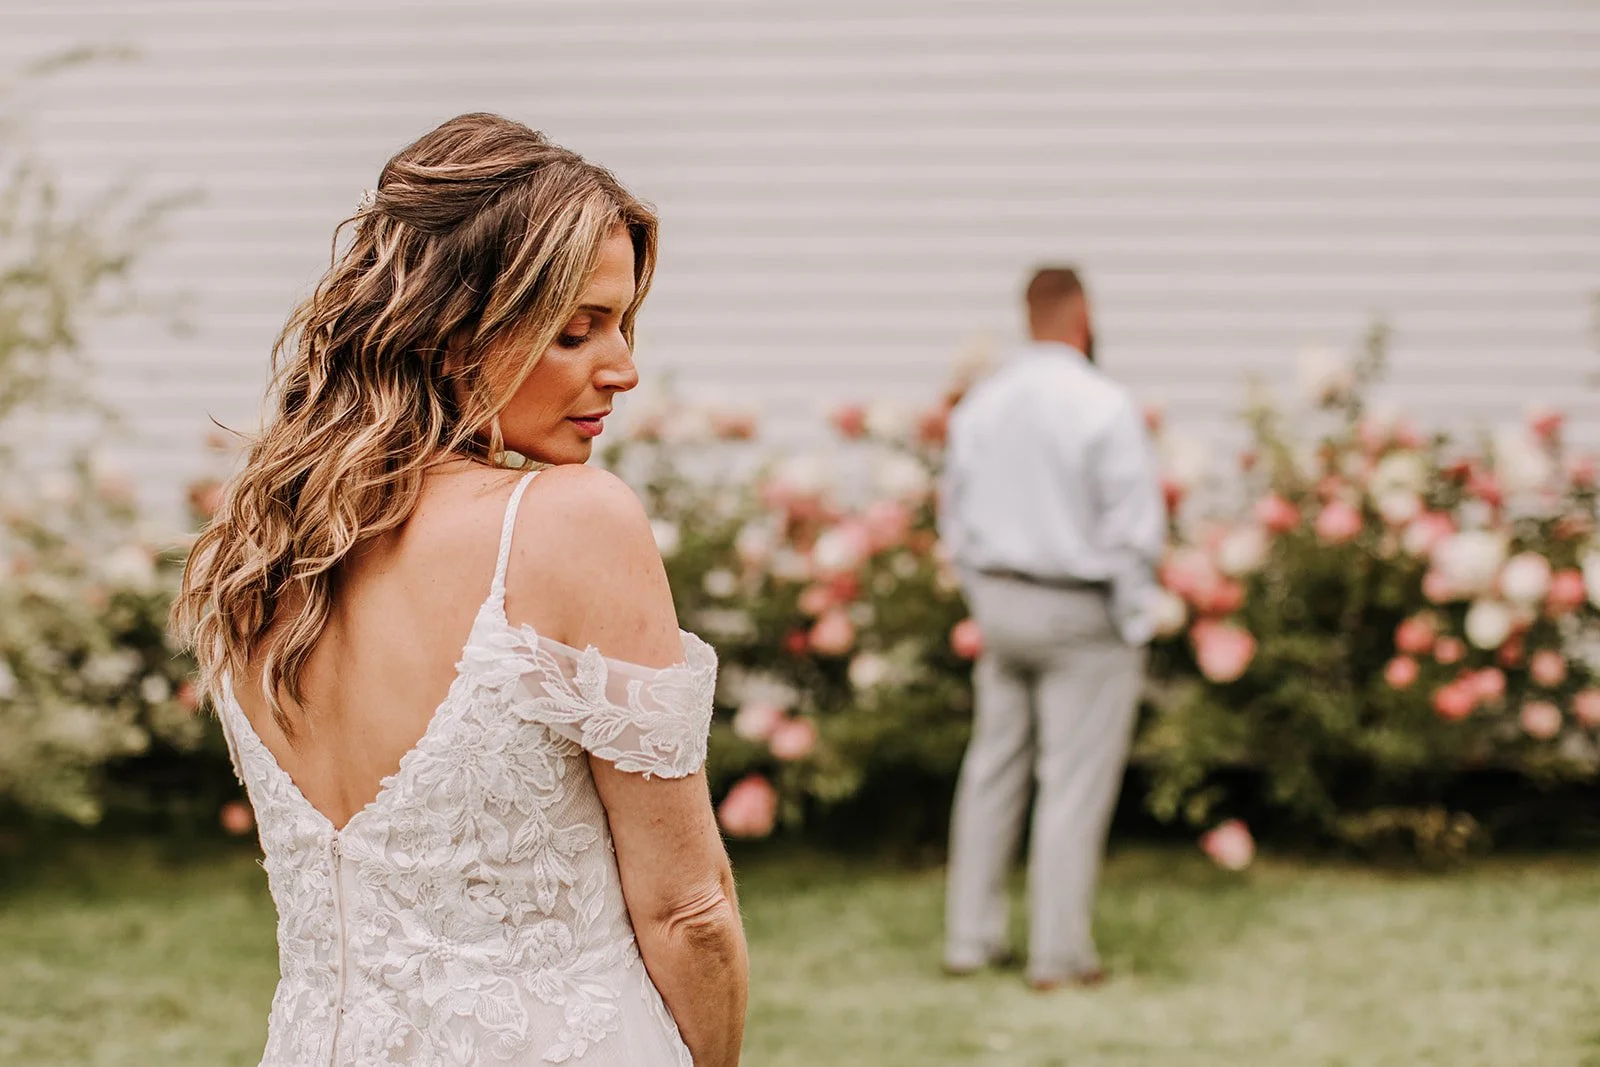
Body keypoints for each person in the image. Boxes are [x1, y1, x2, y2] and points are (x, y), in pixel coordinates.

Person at [174, 113, 748, 1066]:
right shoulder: (568, 522)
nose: (624, 368)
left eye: (621, 324)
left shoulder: (262, 551)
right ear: (451, 334)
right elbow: (689, 908)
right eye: (576, 331)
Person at [938, 266, 1165, 991]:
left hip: (1001, 605)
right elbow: (1133, 531)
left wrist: (984, 597)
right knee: (1071, 782)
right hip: (1079, 608)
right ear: (1084, 316)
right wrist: (1134, 618)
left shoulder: (984, 402)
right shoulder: (1103, 403)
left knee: (992, 769)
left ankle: (970, 938)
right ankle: (1058, 953)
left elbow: (957, 518)